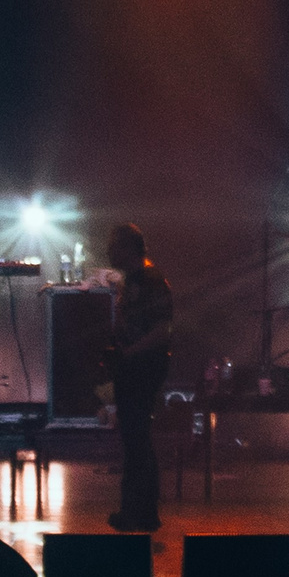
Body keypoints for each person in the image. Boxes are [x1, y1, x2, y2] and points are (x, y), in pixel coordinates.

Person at [100, 221, 172, 531]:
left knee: (136, 439)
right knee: (136, 438)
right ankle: (143, 512)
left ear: (128, 249)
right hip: (138, 363)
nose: (109, 252)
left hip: (143, 365)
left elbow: (162, 328)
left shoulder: (151, 281)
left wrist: (131, 352)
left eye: (115, 247)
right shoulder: (135, 279)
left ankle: (137, 512)